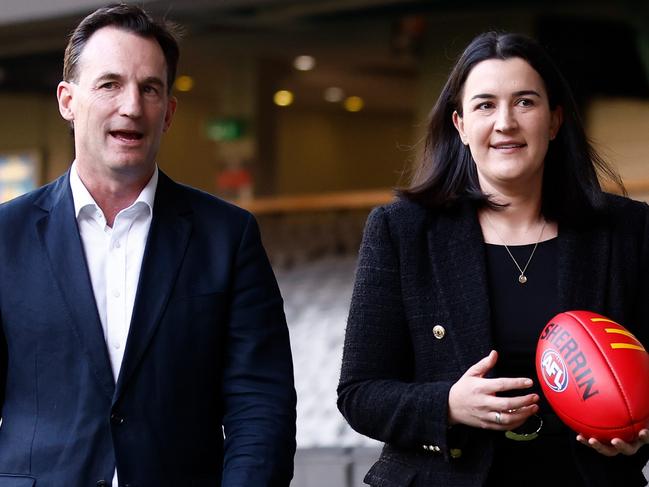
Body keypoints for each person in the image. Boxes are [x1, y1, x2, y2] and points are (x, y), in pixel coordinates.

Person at [0, 4, 296, 486]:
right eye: (109, 84)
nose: (132, 106)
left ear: (169, 111)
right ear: (67, 100)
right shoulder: (5, 237)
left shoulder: (228, 236)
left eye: (150, 89)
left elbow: (261, 405)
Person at [337, 31, 649, 486]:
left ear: (555, 120)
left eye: (525, 102)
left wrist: (638, 433)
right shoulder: (402, 229)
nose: (505, 122)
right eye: (485, 105)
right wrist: (448, 405)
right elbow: (360, 393)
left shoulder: (628, 231)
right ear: (460, 125)